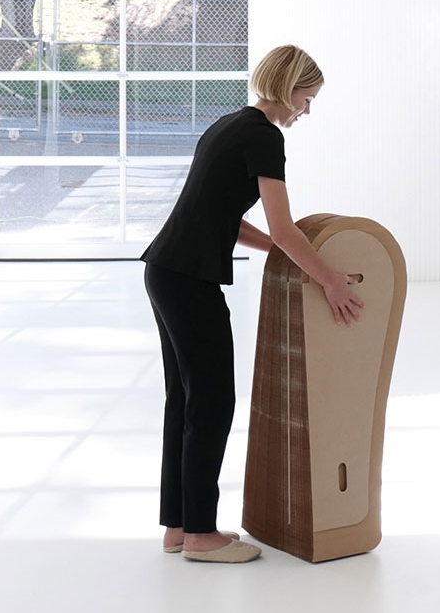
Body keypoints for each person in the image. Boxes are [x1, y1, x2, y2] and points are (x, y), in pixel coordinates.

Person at [140, 45, 364, 563]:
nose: (306, 112)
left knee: (188, 402)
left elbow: (228, 220)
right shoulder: (266, 138)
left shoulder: (230, 125)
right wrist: (330, 279)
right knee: (214, 402)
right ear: (289, 90)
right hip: (189, 282)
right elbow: (285, 227)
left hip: (165, 272)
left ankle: (179, 526)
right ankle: (200, 535)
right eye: (307, 99)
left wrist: (281, 257)